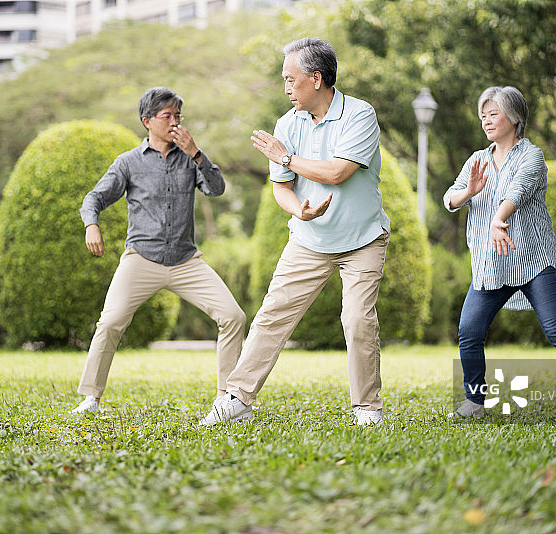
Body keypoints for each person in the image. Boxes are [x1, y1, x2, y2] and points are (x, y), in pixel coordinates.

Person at [198, 37, 391, 427]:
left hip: (362, 240)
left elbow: (338, 172)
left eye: (290, 79)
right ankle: (237, 398)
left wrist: (284, 156)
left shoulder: (359, 115)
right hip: (310, 240)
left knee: (357, 320)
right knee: (271, 316)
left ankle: (368, 407)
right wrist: (298, 211)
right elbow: (282, 186)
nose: (285, 88)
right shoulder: (287, 123)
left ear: (316, 79)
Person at [71, 86, 246, 413]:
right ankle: (91, 398)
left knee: (233, 316)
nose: (174, 122)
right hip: (141, 259)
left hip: (186, 261)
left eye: (178, 116)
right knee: (110, 324)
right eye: (167, 116)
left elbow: (217, 188)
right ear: (147, 121)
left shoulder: (189, 159)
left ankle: (227, 397)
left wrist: (196, 152)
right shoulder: (128, 163)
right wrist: (91, 224)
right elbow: (93, 198)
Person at [444, 85, 556, 418]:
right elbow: (450, 197)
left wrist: (497, 219)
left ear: (515, 117)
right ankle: (475, 401)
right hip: (493, 263)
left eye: (494, 114)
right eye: (483, 116)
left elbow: (518, 191)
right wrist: (469, 192)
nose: (487, 122)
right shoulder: (477, 160)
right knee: (469, 331)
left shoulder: (531, 155)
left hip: (535, 261)